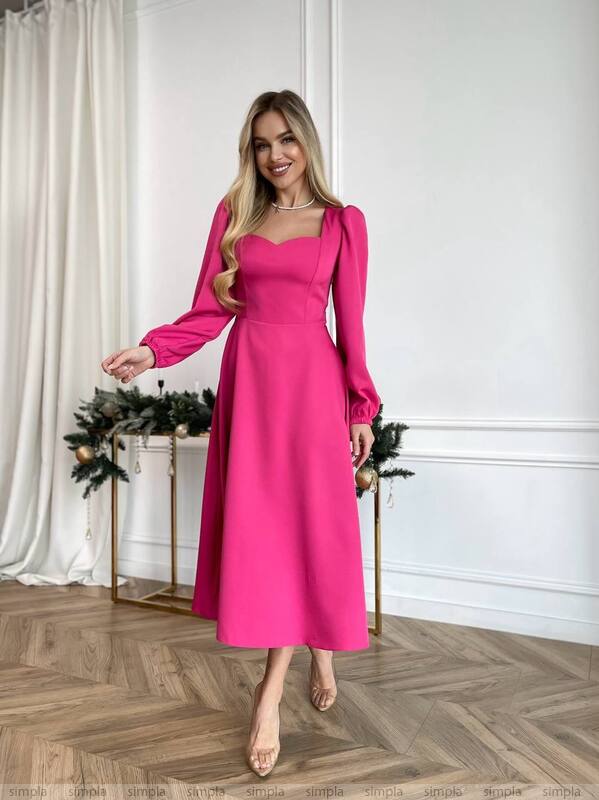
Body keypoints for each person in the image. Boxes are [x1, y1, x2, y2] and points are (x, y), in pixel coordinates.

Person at [101, 89, 381, 778]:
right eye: (261, 143)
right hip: (251, 387)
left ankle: (269, 690)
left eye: (284, 139)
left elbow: (352, 325)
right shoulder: (235, 216)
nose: (274, 154)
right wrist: (152, 349)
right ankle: (303, 653)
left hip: (312, 389)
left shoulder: (343, 222)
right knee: (265, 530)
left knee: (308, 526)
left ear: (305, 142)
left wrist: (360, 408)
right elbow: (208, 310)